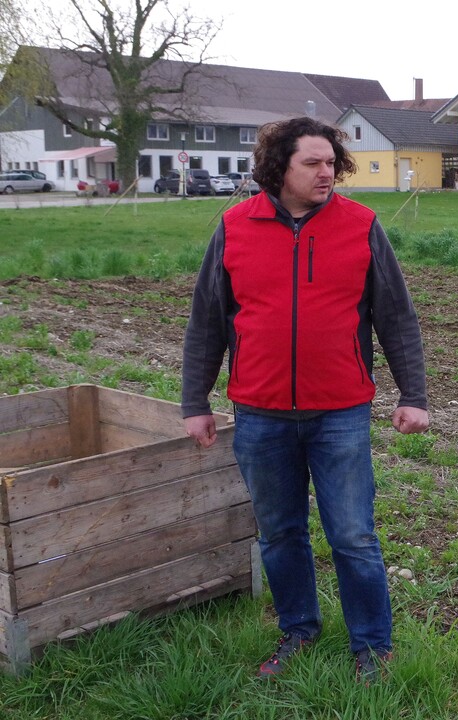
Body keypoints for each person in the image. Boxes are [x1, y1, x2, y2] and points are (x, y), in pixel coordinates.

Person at [181, 116, 429, 682]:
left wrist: (412, 393)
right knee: (280, 533)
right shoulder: (235, 226)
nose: (327, 173)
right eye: (312, 163)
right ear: (278, 168)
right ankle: (298, 629)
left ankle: (372, 647)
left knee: (353, 535)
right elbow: (206, 323)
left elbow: (396, 318)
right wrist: (195, 402)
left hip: (339, 412)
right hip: (260, 414)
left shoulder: (361, 225)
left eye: (330, 162)